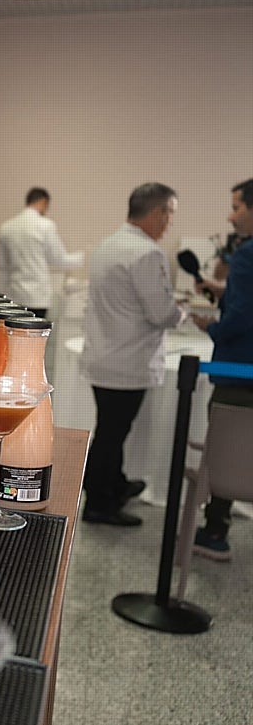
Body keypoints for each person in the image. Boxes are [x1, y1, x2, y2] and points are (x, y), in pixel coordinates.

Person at [81, 183, 188, 526]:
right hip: (127, 360)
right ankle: (99, 504)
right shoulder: (147, 253)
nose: (171, 221)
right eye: (170, 212)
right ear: (157, 213)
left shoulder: (107, 246)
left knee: (112, 428)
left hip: (104, 353)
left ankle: (114, 484)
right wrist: (183, 313)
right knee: (113, 432)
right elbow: (161, 314)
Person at [188, 178, 253, 560]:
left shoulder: (246, 256)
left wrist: (211, 325)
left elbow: (241, 317)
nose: (231, 216)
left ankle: (215, 532)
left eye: (237, 207)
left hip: (240, 369)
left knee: (229, 452)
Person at [0, 187, 85, 317]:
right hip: (36, 297)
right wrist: (83, 257)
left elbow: (3, 263)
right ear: (44, 202)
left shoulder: (6, 227)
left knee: (14, 334)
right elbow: (57, 258)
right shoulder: (45, 225)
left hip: (14, 295)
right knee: (35, 335)